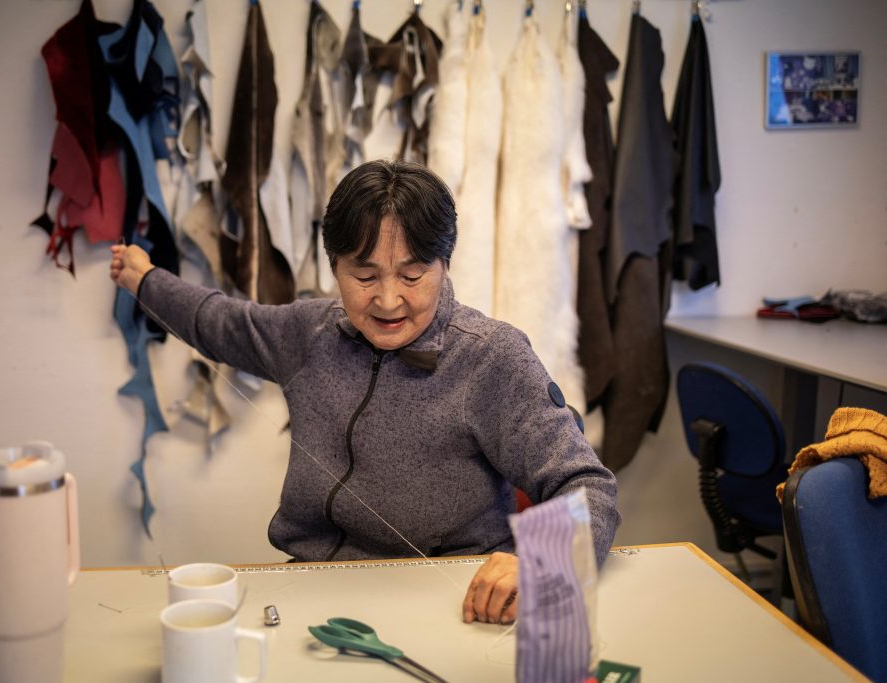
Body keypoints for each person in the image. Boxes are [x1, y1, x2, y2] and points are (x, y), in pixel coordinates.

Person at [111, 160, 620, 626]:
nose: (388, 300)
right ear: (334, 266)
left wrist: (541, 561)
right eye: (364, 275)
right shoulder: (310, 331)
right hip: (312, 593)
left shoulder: (492, 356)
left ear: (444, 265)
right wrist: (145, 279)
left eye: (412, 275)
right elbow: (220, 321)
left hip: (454, 602)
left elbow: (587, 485)